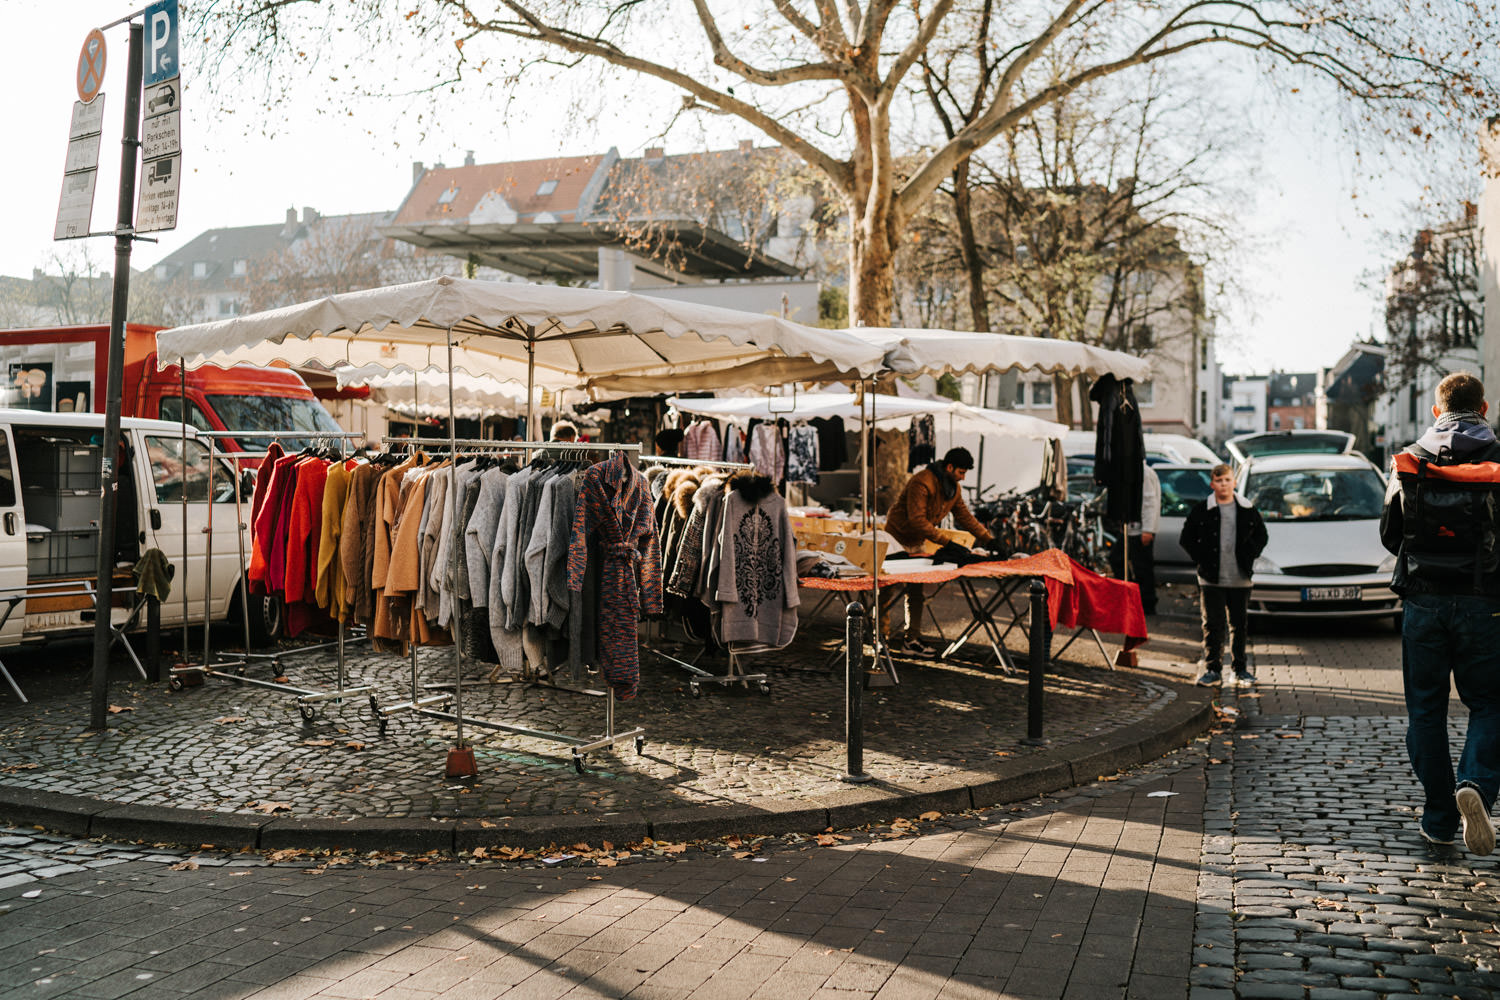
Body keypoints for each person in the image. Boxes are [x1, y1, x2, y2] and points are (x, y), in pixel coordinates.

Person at [1380, 371, 1500, 854]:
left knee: (1425, 711)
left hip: (1423, 602)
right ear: (1485, 409)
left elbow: (1391, 534)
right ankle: (1475, 784)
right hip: (1486, 602)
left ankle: (1439, 817)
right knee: (1491, 704)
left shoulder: (1411, 460)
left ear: (1436, 410)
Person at [882, 447, 995, 655]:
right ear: (949, 467)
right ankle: (880, 638)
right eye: (961, 472)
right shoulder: (922, 482)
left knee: (916, 591)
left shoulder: (954, 488)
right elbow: (917, 520)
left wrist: (989, 539)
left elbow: (964, 516)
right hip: (895, 538)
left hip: (917, 541)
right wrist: (947, 542)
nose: (962, 477)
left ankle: (911, 640)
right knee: (886, 589)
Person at [1179, 463, 1267, 688]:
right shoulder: (1202, 509)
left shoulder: (1247, 508)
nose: (1223, 485)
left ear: (1234, 483)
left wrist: (1249, 554)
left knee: (1239, 625)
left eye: (1227, 480)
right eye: (1219, 481)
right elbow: (1186, 538)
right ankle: (1213, 669)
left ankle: (1240, 670)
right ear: (1212, 484)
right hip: (1211, 577)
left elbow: (1262, 535)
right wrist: (1203, 559)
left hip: (1240, 577)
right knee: (1213, 624)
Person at [1110, 462, 1160, 615]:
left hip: (1140, 529)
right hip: (1131, 528)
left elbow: (1150, 502)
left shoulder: (1143, 473)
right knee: (1119, 559)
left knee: (1141, 567)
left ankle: (1146, 603)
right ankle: (1134, 596)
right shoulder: (1132, 471)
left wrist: (1148, 529)